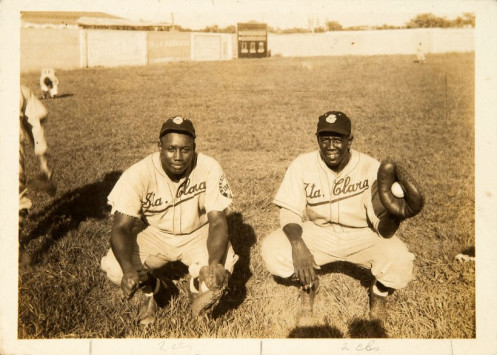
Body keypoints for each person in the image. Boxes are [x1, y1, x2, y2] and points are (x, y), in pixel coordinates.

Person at [261, 111, 423, 322]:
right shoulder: (302, 164)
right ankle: (308, 285)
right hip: (318, 232)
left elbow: (380, 224)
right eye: (324, 139)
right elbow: (289, 211)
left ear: (350, 141)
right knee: (272, 251)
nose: (330, 146)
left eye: (337, 140)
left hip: (361, 233)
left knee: (400, 260)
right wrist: (298, 245)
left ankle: (379, 292)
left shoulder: (369, 167)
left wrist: (394, 218)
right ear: (317, 139)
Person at [101, 116, 238, 324]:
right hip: (156, 233)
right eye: (171, 149)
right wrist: (129, 270)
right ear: (159, 147)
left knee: (222, 267)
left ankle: (195, 286)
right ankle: (153, 289)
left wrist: (214, 264)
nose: (178, 156)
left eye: (185, 150)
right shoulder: (138, 173)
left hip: (197, 233)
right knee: (114, 266)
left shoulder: (209, 167)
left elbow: (218, 222)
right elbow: (120, 228)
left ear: (194, 147)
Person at [19, 85, 55, 267]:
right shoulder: (19, 89)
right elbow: (36, 121)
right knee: (17, 198)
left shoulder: (20, 90)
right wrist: (44, 165)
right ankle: (14, 248)